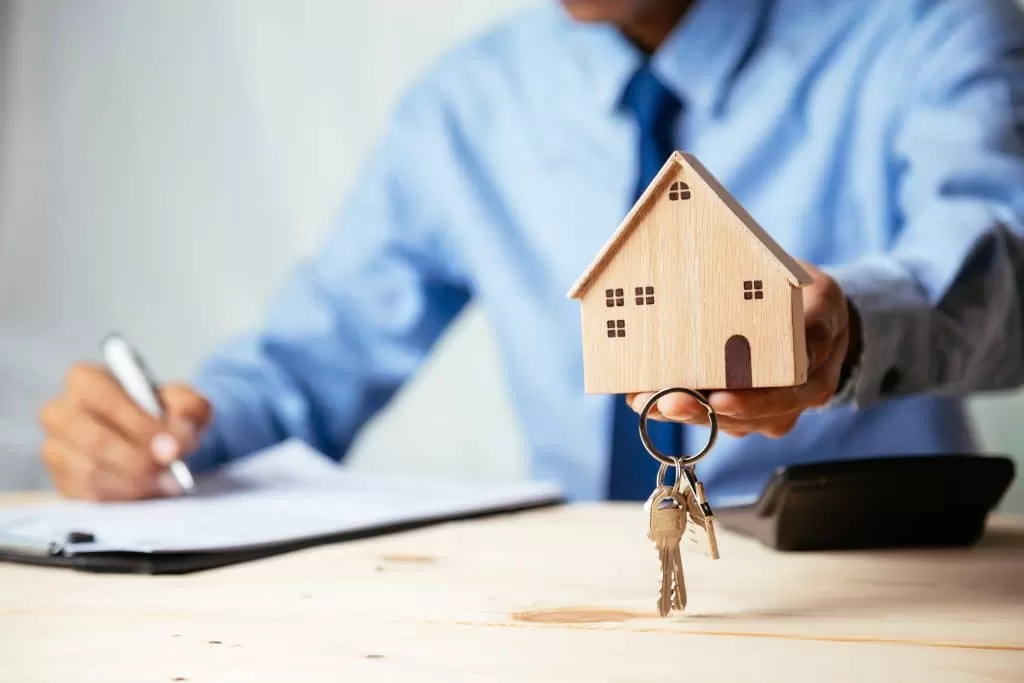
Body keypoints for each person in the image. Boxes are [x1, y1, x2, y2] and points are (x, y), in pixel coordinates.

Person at [36, 0, 1024, 505]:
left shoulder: (925, 28)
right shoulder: (466, 106)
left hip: (870, 592)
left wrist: (846, 329)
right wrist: (162, 435)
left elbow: (1000, 266)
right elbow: (307, 364)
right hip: (568, 610)